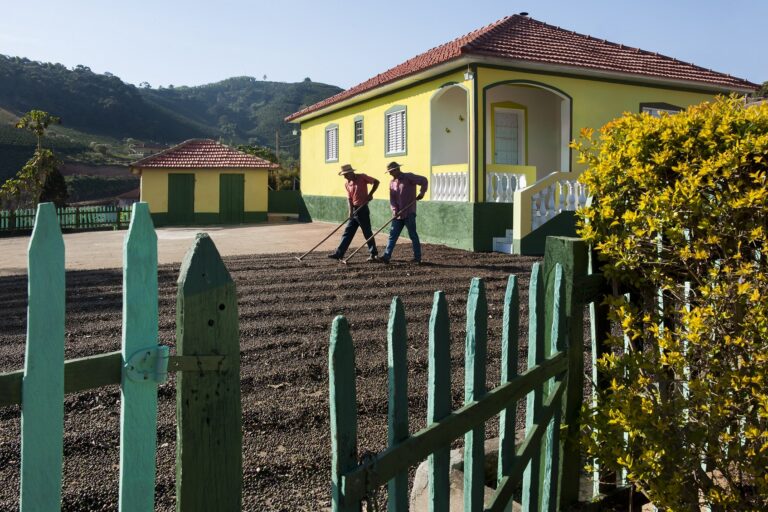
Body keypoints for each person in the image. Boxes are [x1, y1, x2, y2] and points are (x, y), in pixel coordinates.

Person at [327, 164, 380, 261]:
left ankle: (373, 254)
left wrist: (370, 194)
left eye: (346, 174)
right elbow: (349, 199)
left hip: (362, 209)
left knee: (367, 232)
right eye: (344, 175)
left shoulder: (362, 177)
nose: (344, 177)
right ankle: (339, 253)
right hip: (355, 210)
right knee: (348, 232)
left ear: (351, 172)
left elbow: (376, 182)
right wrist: (350, 211)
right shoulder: (347, 184)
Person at [380, 161, 428, 264]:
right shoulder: (392, 183)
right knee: (393, 235)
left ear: (397, 169)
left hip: (409, 212)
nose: (390, 173)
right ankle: (386, 256)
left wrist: (422, 193)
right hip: (398, 215)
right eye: (389, 171)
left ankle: (417, 258)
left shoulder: (408, 177)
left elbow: (424, 180)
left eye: (391, 171)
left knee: (413, 235)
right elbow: (392, 199)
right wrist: (394, 210)